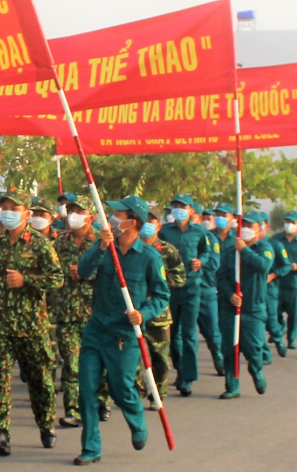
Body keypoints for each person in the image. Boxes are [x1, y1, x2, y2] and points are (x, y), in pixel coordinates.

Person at [73, 195, 170, 466]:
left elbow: (162, 296)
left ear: (133, 222)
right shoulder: (104, 246)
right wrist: (101, 247)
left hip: (123, 335)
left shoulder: (149, 257)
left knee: (121, 388)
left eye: (119, 215)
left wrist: (144, 314)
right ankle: (90, 447)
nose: (112, 219)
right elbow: (83, 270)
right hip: (96, 329)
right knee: (87, 389)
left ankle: (136, 420)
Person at [0, 188, 62, 456]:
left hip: (31, 326)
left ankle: (46, 425)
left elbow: (56, 279)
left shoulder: (39, 244)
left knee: (40, 380)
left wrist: (27, 281)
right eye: (4, 208)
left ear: (26, 213)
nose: (8, 213)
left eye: (15, 209)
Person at [53, 195, 109, 428]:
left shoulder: (101, 241)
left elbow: (111, 273)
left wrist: (87, 272)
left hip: (94, 313)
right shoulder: (60, 241)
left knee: (98, 363)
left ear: (91, 216)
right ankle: (72, 410)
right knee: (71, 363)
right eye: (72, 211)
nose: (74, 215)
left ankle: (101, 400)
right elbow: (52, 269)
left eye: (80, 211)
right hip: (66, 312)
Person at [217, 211, 273, 399]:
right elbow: (221, 277)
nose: (246, 229)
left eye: (251, 226)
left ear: (260, 229)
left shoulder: (264, 247)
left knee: (253, 348)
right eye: (244, 225)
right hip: (230, 308)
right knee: (229, 348)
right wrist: (230, 294)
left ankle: (256, 371)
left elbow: (263, 266)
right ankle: (232, 386)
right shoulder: (229, 251)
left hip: (253, 309)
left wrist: (244, 250)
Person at [158, 193, 209, 396]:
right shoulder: (165, 231)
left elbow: (206, 252)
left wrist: (201, 261)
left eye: (182, 206)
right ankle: (179, 369)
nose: (178, 209)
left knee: (188, 334)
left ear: (191, 210)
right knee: (173, 335)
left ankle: (188, 377)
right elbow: (157, 251)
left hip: (191, 288)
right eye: (175, 206)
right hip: (171, 289)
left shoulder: (199, 232)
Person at [135, 212, 186, 409]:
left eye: (151, 222)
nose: (147, 225)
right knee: (133, 356)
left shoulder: (167, 250)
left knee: (160, 358)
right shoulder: (132, 248)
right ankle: (137, 390)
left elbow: (180, 277)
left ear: (159, 227)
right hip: (135, 311)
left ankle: (158, 393)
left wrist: (159, 282)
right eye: (144, 222)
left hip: (158, 313)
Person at [272, 212, 297, 350]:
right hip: (277, 282)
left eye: (293, 222)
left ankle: (291, 339)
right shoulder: (276, 239)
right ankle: (278, 328)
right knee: (275, 311)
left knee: (293, 314)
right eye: (287, 221)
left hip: (294, 283)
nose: (289, 225)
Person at [195, 206, 224, 375]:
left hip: (206, 290)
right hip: (186, 292)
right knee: (185, 335)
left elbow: (214, 263)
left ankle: (219, 360)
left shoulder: (210, 238)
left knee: (212, 332)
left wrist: (197, 263)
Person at [261, 222, 291, 363]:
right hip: (250, 290)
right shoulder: (243, 245)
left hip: (269, 289)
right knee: (256, 323)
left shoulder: (275, 244)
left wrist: (273, 275)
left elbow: (286, 266)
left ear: (266, 227)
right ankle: (265, 353)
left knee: (271, 321)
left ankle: (278, 339)